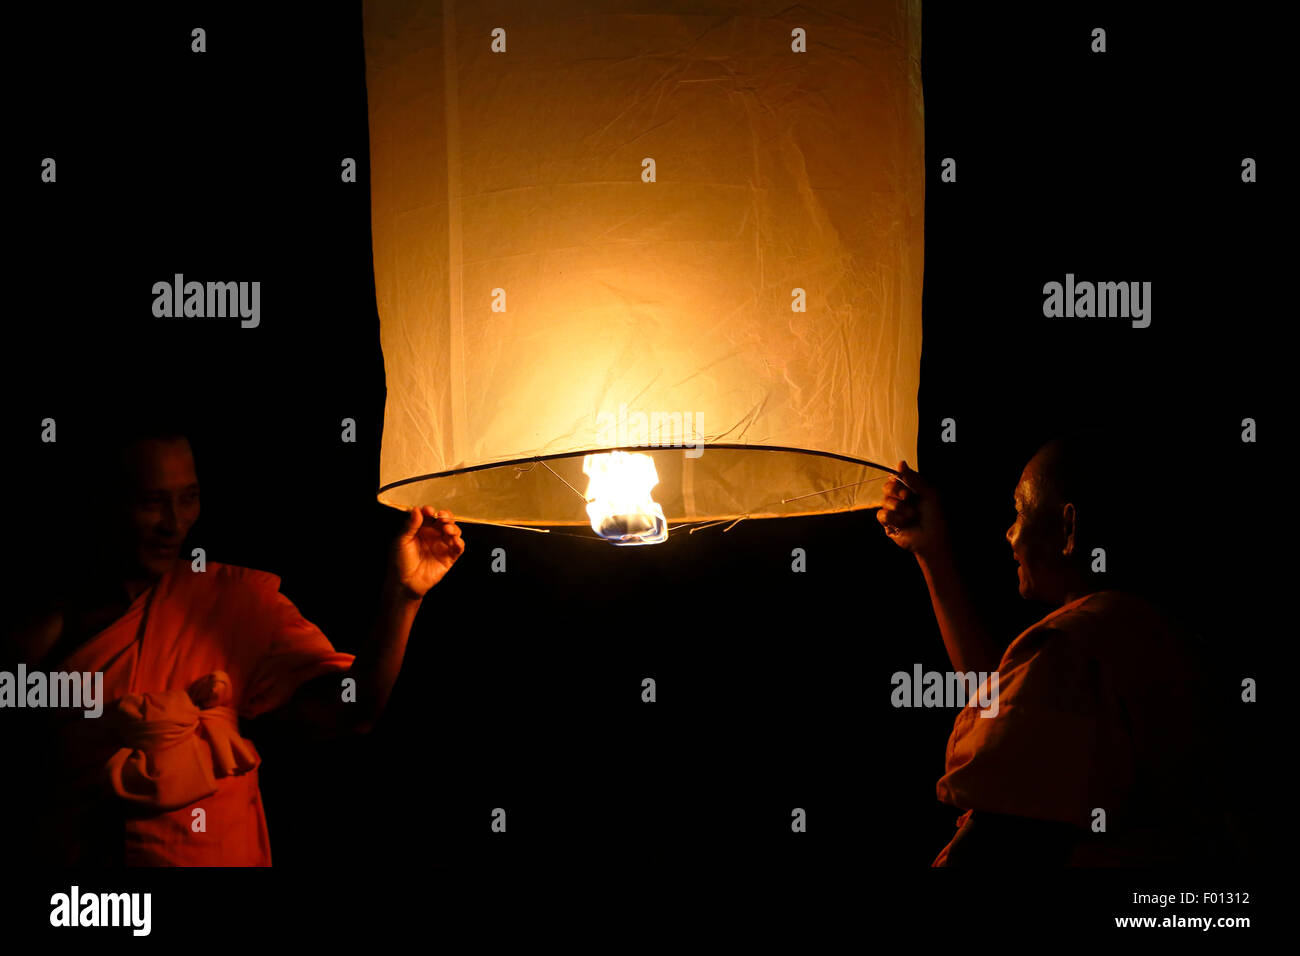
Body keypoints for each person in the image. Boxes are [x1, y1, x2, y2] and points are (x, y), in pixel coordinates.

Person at [3, 420, 464, 865]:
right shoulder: (46, 633)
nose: (175, 523)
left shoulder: (232, 601)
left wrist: (402, 596)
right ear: (103, 502)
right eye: (152, 502)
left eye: (189, 498)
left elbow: (352, 710)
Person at [878, 434, 1233, 865]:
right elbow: (1001, 701)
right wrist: (930, 553)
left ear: (1068, 529)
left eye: (1019, 511)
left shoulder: (1071, 648)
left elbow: (997, 840)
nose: (1010, 534)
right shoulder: (1148, 635)